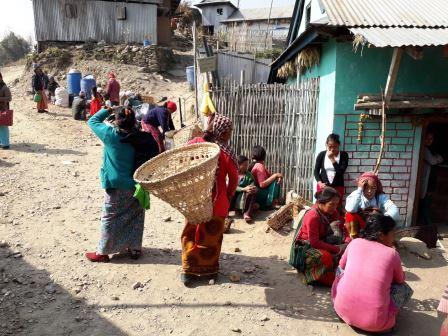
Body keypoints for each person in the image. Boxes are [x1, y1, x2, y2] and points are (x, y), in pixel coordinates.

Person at [180, 113, 238, 285]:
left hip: (194, 199)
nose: (230, 134)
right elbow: (234, 179)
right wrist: (228, 195)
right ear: (222, 131)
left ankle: (188, 269)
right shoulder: (225, 152)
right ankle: (210, 270)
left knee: (191, 232)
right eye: (229, 131)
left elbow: (180, 162)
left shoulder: (195, 144)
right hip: (217, 201)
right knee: (211, 236)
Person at [332, 213, 413, 333]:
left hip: (341, 311)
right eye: (392, 233)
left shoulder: (354, 242)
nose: (394, 237)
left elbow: (341, 266)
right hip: (376, 325)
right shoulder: (392, 254)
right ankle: (385, 322)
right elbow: (400, 280)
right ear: (381, 235)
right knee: (404, 288)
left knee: (340, 271)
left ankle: (343, 304)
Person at [85, 106, 145, 262]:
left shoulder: (110, 135)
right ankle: (135, 249)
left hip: (116, 184)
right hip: (138, 184)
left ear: (117, 121)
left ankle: (103, 252)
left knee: (109, 217)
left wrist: (107, 109)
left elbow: (92, 120)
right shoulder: (140, 137)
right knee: (136, 215)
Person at [294, 187, 345, 286]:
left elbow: (342, 228)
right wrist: (337, 249)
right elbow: (314, 243)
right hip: (307, 246)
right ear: (321, 203)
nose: (335, 207)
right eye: (332, 204)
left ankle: (338, 274)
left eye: (336, 204)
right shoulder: (313, 216)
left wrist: (346, 242)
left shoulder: (332, 212)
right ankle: (323, 278)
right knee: (325, 256)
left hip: (324, 239)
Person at [345, 172, 400, 242]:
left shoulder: (380, 197)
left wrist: (381, 218)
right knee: (350, 214)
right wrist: (359, 190)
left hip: (375, 227)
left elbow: (394, 210)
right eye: (366, 188)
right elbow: (351, 209)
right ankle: (355, 240)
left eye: (373, 188)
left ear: (377, 187)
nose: (369, 191)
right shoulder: (356, 195)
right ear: (362, 187)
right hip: (358, 229)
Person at [314, 134, 349, 208]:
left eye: (335, 146)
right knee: (321, 206)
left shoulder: (344, 155)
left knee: (336, 207)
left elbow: (340, 172)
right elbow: (316, 171)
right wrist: (319, 182)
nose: (332, 149)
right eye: (330, 146)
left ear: (339, 145)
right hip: (323, 187)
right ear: (326, 145)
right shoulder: (322, 155)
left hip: (338, 187)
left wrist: (332, 159)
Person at [419, 132, 443, 226]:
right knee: (425, 204)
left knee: (427, 203)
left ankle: (427, 224)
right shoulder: (424, 149)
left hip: (430, 181)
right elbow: (432, 161)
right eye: (427, 138)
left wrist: (436, 158)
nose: (429, 141)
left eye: (431, 139)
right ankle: (428, 225)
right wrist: (440, 158)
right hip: (426, 181)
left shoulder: (430, 150)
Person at [250, 146, 282, 210]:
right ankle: (270, 203)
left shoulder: (258, 165)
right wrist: (275, 175)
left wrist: (278, 175)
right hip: (259, 193)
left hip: (257, 193)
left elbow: (270, 176)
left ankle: (274, 202)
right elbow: (262, 184)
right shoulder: (259, 166)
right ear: (264, 156)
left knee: (275, 180)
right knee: (275, 183)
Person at [230, 155, 258, 223]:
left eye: (247, 165)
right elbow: (231, 186)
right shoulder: (233, 173)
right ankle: (230, 210)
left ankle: (247, 214)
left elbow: (252, 183)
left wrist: (253, 188)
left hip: (245, 197)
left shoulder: (249, 174)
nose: (246, 166)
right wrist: (243, 189)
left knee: (252, 192)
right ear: (238, 165)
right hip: (234, 196)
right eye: (244, 165)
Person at [0, 72, 12, 150]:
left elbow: (9, 98)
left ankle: (5, 144)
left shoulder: (4, 87)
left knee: (3, 126)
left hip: (3, 109)